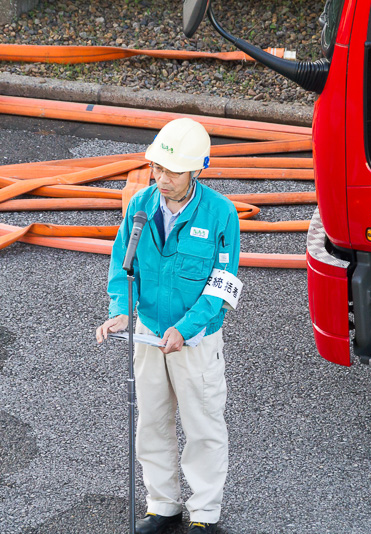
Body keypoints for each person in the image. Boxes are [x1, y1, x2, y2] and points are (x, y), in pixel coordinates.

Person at [96, 117, 241, 534]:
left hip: (195, 342)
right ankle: (163, 506)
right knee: (152, 423)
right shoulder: (140, 205)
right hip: (147, 334)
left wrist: (186, 328)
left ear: (197, 170)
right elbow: (122, 265)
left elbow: (222, 284)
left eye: (173, 172)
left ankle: (205, 515)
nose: (162, 179)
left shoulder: (221, 214)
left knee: (203, 427)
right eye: (157, 168)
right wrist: (122, 309)